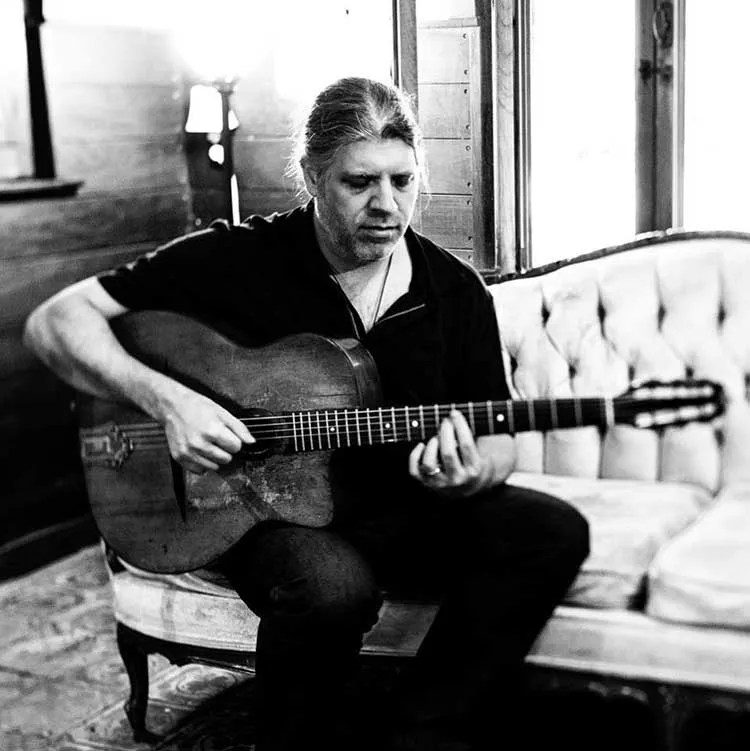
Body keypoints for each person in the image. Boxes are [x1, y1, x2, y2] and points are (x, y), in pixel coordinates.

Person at [24, 77, 589, 751]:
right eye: (359, 183)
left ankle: (424, 730)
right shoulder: (237, 258)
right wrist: (166, 399)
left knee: (549, 529)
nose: (388, 205)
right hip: (263, 508)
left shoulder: (454, 291)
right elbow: (56, 321)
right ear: (312, 176)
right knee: (331, 585)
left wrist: (470, 471)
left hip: (406, 505)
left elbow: (495, 434)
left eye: (403, 180)